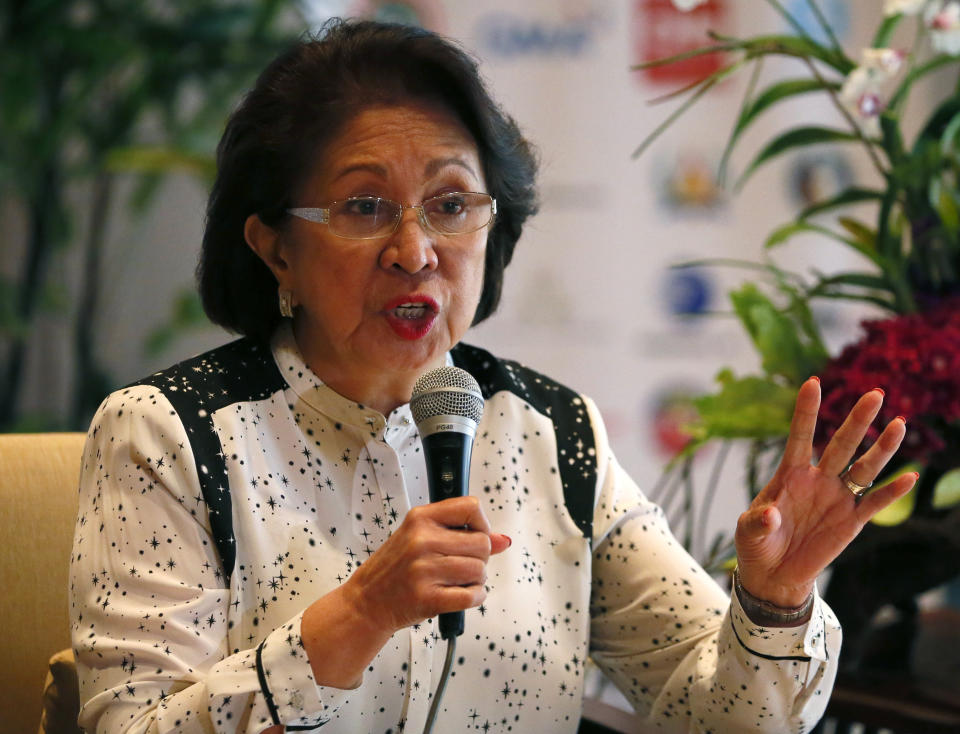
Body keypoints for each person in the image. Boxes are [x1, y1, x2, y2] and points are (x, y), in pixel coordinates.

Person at [69, 18, 916, 734]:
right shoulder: (170, 436)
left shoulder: (551, 431)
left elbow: (720, 714)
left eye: (450, 204)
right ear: (275, 245)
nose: (415, 251)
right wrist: (354, 619)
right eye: (365, 208)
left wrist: (773, 603)